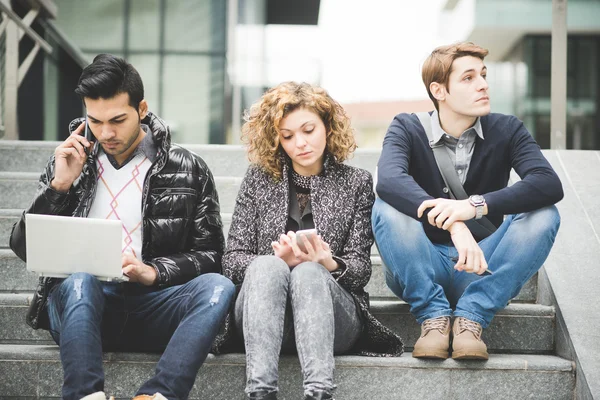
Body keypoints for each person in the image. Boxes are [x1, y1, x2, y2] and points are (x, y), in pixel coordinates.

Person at [9, 54, 235, 400]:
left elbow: (212, 255)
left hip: (154, 304)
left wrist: (153, 272)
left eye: (117, 119)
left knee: (217, 286)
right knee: (81, 278)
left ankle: (158, 395)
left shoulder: (188, 168)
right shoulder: (69, 161)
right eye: (95, 121)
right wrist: (59, 189)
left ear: (141, 109)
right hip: (82, 307)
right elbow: (25, 248)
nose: (106, 133)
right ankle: (86, 396)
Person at [372, 42, 563, 360]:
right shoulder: (406, 127)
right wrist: (456, 224)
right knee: (387, 207)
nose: (483, 84)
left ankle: (472, 316)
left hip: (480, 265)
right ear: (439, 90)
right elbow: (389, 181)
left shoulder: (507, 129)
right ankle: (433, 316)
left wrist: (474, 205)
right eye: (469, 77)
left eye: (484, 75)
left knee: (544, 214)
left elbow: (547, 183)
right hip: (420, 264)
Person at [212, 82, 403, 400]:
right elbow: (232, 260)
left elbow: (360, 269)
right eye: (287, 136)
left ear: (328, 126)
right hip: (263, 317)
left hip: (331, 320)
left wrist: (327, 262)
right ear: (276, 139)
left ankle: (319, 391)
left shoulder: (356, 182)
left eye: (308, 130)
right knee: (268, 267)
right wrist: (277, 262)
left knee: (309, 272)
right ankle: (260, 392)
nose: (299, 143)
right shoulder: (259, 179)